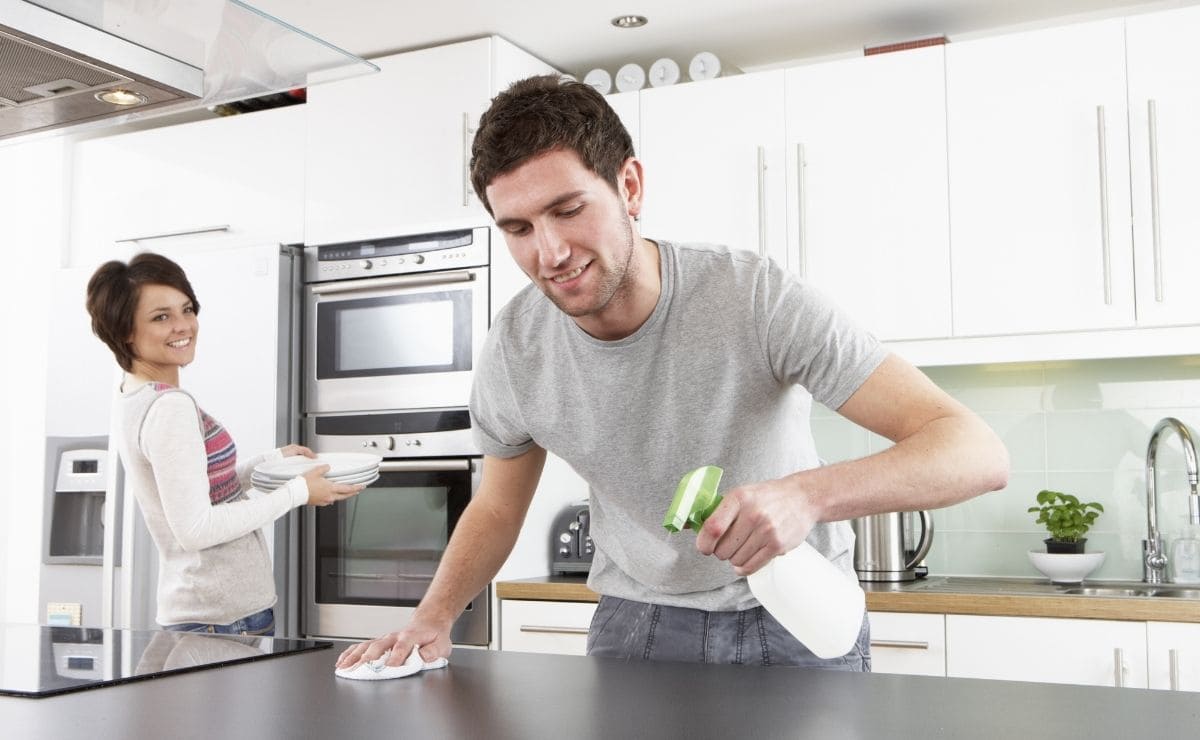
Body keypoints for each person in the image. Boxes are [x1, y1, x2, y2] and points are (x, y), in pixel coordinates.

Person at [337, 74, 1009, 670]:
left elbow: (974, 451)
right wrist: (434, 616)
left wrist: (806, 497)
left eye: (568, 211)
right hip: (637, 625)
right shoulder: (517, 348)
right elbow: (495, 506)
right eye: (517, 228)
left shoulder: (752, 297)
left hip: (795, 615)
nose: (550, 252)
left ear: (629, 186)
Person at [86, 252, 364, 635]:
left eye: (187, 309)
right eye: (160, 317)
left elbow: (195, 490)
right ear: (125, 331)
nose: (183, 326)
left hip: (210, 613)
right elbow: (196, 528)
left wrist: (267, 462)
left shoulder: (133, 394)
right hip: (222, 619)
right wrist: (297, 492)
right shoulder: (169, 407)